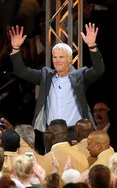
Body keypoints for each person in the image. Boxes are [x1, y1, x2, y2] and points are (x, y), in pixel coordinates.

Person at [9, 22, 105, 152]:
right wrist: (15, 49)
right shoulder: (46, 76)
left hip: (73, 132)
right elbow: (22, 71)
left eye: (61, 57)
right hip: (51, 133)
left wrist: (92, 47)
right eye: (55, 57)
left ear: (70, 59)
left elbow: (98, 70)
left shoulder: (79, 76)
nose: (57, 60)